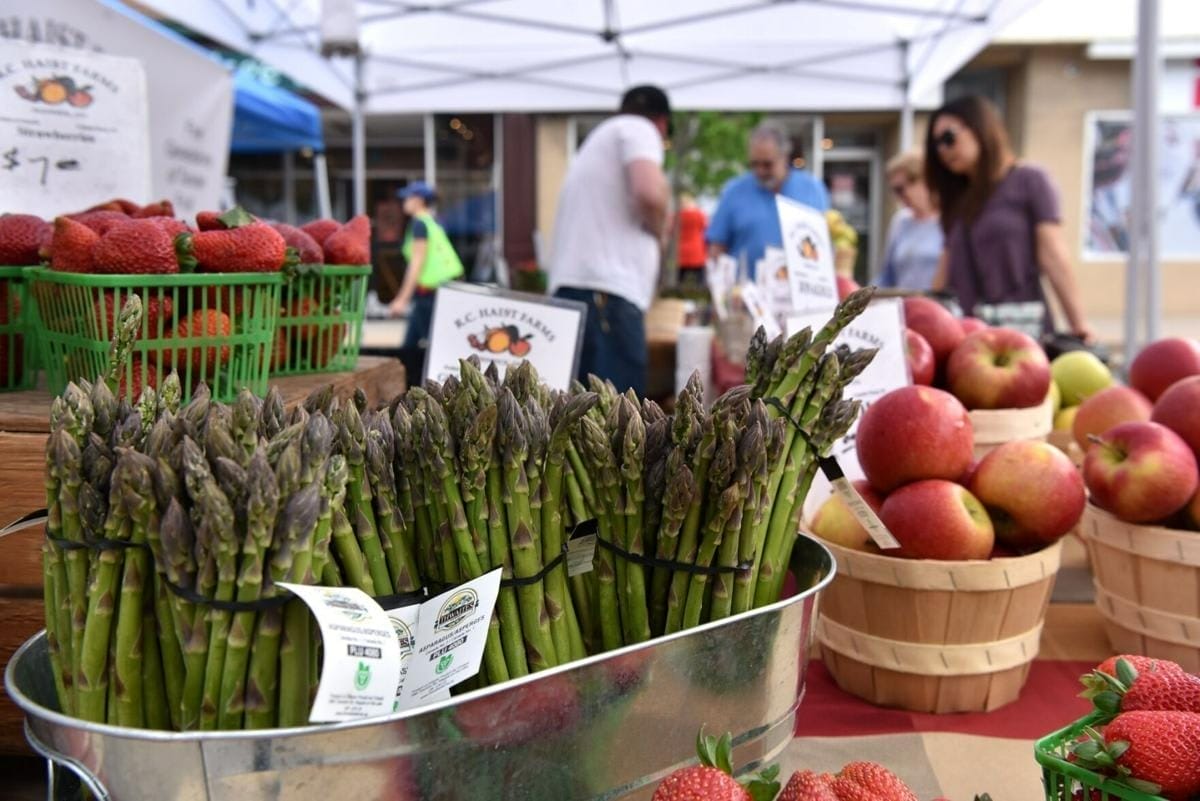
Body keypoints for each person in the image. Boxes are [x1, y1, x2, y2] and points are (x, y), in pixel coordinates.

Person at [927, 95, 1093, 341]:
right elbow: (944, 271)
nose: (942, 150)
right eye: (935, 145)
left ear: (979, 127)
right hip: (964, 335)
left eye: (948, 138)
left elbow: (1053, 255)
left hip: (1021, 333)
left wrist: (1079, 325)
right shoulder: (958, 198)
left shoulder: (1029, 180)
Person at [547, 85, 672, 396]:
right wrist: (661, 233)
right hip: (606, 297)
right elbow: (648, 194)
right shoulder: (639, 129)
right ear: (662, 123)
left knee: (580, 417)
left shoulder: (601, 139)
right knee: (620, 422)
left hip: (582, 291)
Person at [706, 120, 830, 278]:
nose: (760, 171)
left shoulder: (812, 189)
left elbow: (824, 245)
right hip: (745, 297)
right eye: (754, 164)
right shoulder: (733, 191)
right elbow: (717, 248)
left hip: (798, 294)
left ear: (784, 156)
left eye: (767, 164)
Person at [389, 181, 466, 350]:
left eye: (407, 198)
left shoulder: (420, 224)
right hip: (442, 290)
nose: (404, 202)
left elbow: (417, 263)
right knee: (413, 344)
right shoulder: (432, 222)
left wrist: (402, 300)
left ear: (418, 200)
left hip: (432, 293)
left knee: (430, 347)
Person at [877, 151, 943, 291]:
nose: (899, 196)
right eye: (894, 191)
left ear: (924, 180)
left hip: (941, 307)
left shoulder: (950, 221)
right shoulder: (901, 221)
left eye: (900, 189)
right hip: (906, 306)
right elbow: (887, 276)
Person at [675, 193, 707, 288]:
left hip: (682, 251)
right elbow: (705, 227)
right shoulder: (699, 215)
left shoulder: (677, 216)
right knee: (699, 281)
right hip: (696, 250)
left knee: (680, 279)